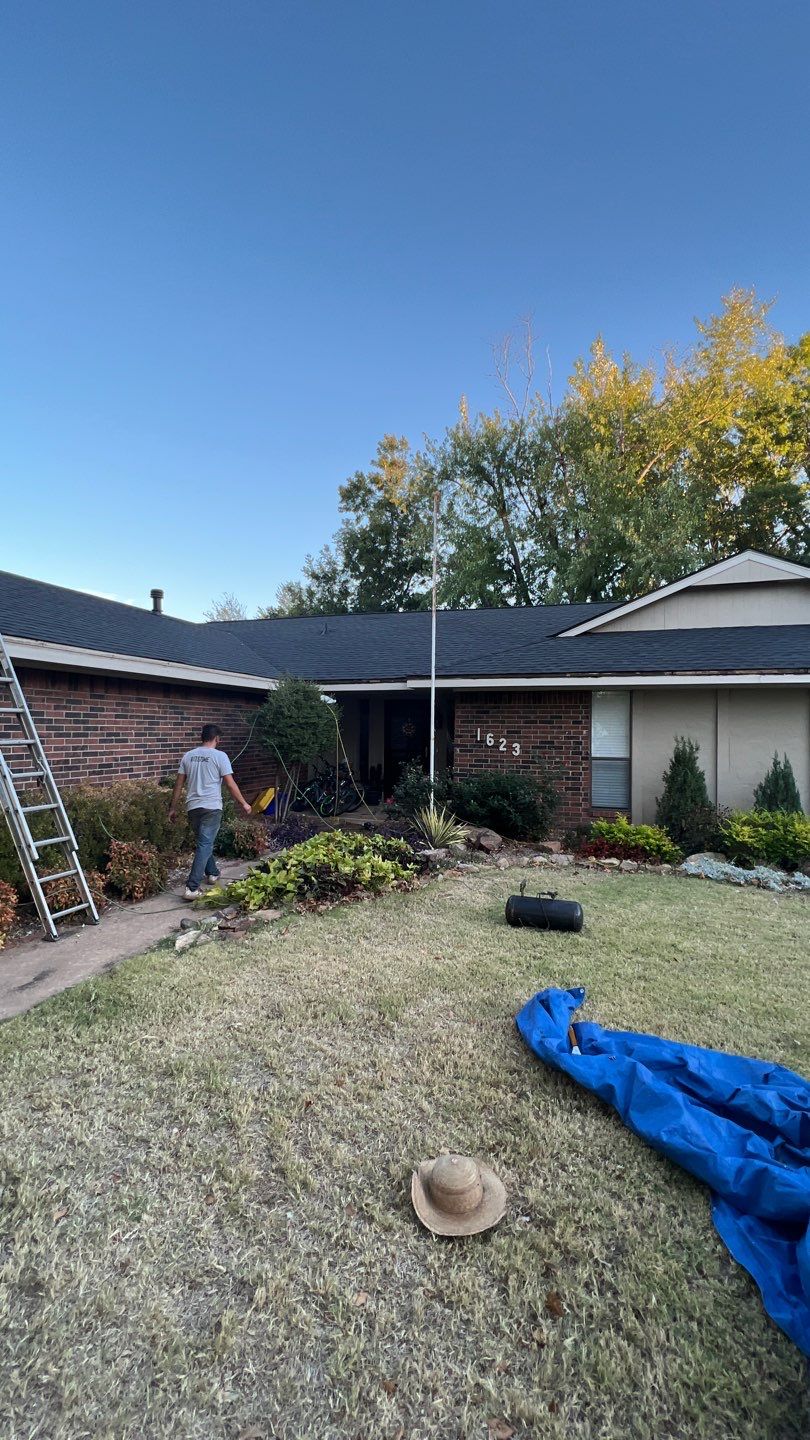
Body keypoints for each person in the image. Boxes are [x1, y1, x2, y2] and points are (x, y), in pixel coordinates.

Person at [169, 724, 252, 899]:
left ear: (202, 737)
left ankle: (213, 873)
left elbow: (178, 784)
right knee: (205, 844)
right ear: (217, 739)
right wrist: (244, 803)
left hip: (193, 807)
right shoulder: (220, 756)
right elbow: (230, 783)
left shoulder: (188, 756)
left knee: (203, 843)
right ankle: (191, 888)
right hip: (212, 808)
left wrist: (173, 808)